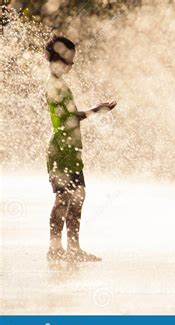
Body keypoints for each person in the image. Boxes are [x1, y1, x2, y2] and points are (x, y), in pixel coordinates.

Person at [45, 36, 116, 262]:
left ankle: (74, 248)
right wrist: (97, 110)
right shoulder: (54, 86)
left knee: (78, 197)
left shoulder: (61, 85)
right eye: (70, 62)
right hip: (61, 151)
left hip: (71, 151)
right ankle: (55, 248)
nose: (71, 66)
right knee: (63, 199)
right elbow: (68, 119)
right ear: (59, 60)